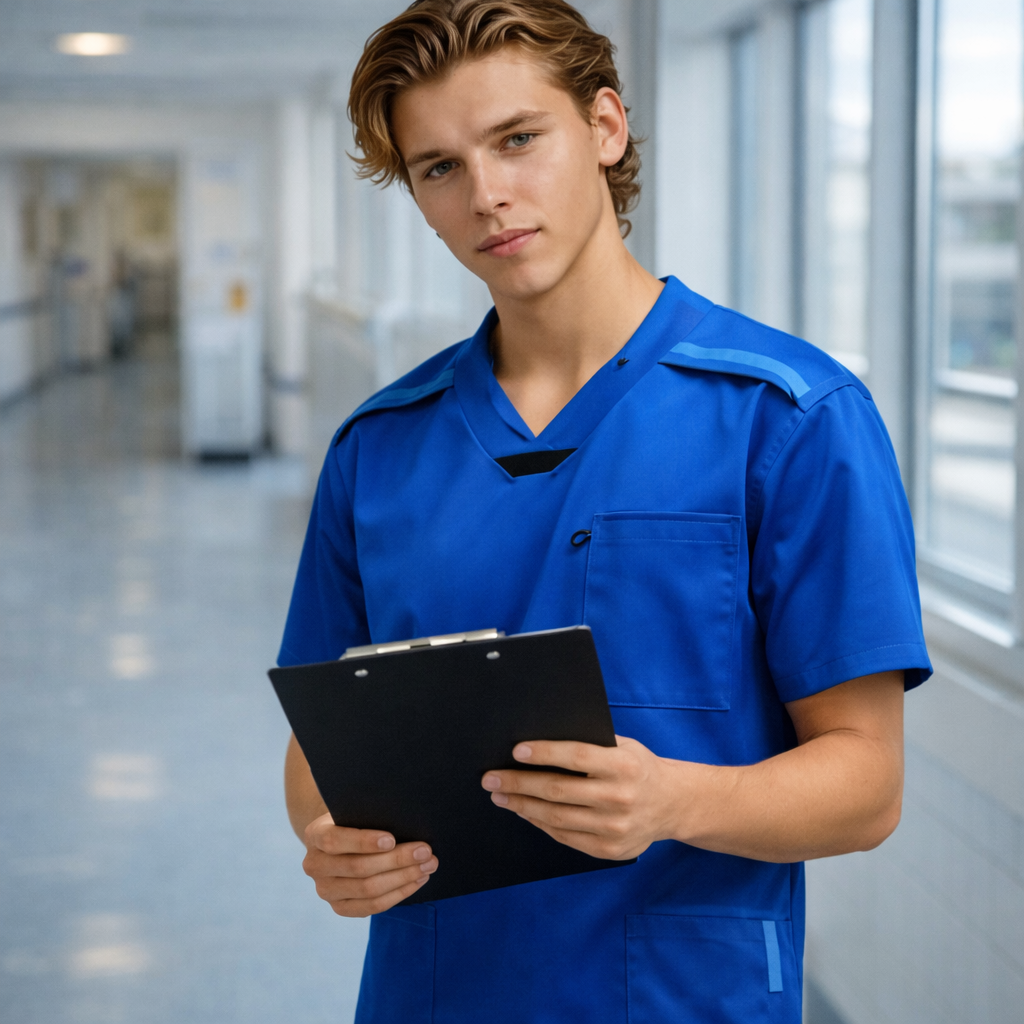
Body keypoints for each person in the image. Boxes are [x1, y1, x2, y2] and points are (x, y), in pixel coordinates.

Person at [278, 1, 931, 1020]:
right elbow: (323, 749)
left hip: (676, 995)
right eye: (438, 167)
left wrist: (677, 799)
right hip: (433, 990)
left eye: (517, 139)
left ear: (605, 128)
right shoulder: (379, 447)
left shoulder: (787, 419)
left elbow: (867, 782)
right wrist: (333, 842)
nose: (487, 195)